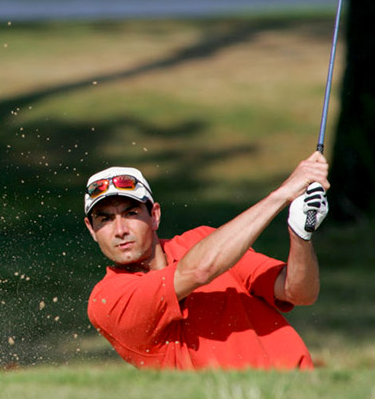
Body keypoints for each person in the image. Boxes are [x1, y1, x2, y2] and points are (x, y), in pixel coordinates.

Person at [84, 152, 329, 370]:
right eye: (105, 220)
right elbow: (197, 271)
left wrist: (300, 235)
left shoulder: (206, 241)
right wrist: (283, 194)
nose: (120, 230)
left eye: (131, 213)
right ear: (91, 229)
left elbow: (299, 293)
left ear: (155, 215)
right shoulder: (107, 300)